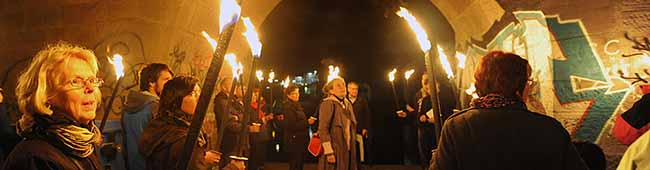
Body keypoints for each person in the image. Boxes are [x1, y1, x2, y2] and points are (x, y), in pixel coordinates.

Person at [430, 51, 588, 169]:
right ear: (518, 87)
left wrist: (436, 158)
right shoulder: (550, 128)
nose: (530, 86)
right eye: (529, 81)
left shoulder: (457, 126)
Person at [3, 42, 103, 169]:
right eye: (75, 82)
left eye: (92, 80)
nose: (90, 88)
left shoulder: (81, 146)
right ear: (46, 94)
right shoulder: (35, 157)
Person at [138, 76, 244, 170]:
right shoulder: (182, 138)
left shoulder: (163, 123)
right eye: (192, 94)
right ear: (176, 98)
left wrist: (200, 158)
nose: (199, 98)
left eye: (199, 93)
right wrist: (233, 168)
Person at [122, 63, 173, 170]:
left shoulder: (127, 107)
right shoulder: (156, 107)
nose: (170, 85)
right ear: (151, 82)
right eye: (166, 80)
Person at [318, 77, 358, 170]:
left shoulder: (347, 104)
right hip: (335, 150)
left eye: (343, 84)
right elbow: (323, 129)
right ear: (331, 91)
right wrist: (329, 152)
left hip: (347, 149)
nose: (342, 87)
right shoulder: (328, 104)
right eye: (338, 86)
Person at [282, 85, 314, 170]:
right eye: (294, 94)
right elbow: (292, 125)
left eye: (297, 93)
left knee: (299, 163)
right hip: (294, 140)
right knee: (295, 163)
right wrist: (307, 122)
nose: (297, 95)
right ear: (288, 95)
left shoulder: (297, 105)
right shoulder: (288, 107)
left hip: (300, 140)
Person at [248, 88, 273, 170]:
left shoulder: (258, 106)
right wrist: (264, 119)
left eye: (256, 94)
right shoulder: (249, 107)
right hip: (254, 135)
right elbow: (253, 120)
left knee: (260, 154)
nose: (255, 96)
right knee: (254, 156)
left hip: (261, 134)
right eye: (254, 94)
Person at [346, 82, 371, 164]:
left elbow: (366, 115)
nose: (354, 91)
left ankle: (361, 162)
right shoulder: (344, 100)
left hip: (359, 127)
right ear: (348, 89)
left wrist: (365, 127)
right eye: (352, 89)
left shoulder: (362, 100)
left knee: (360, 146)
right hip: (347, 128)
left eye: (356, 89)